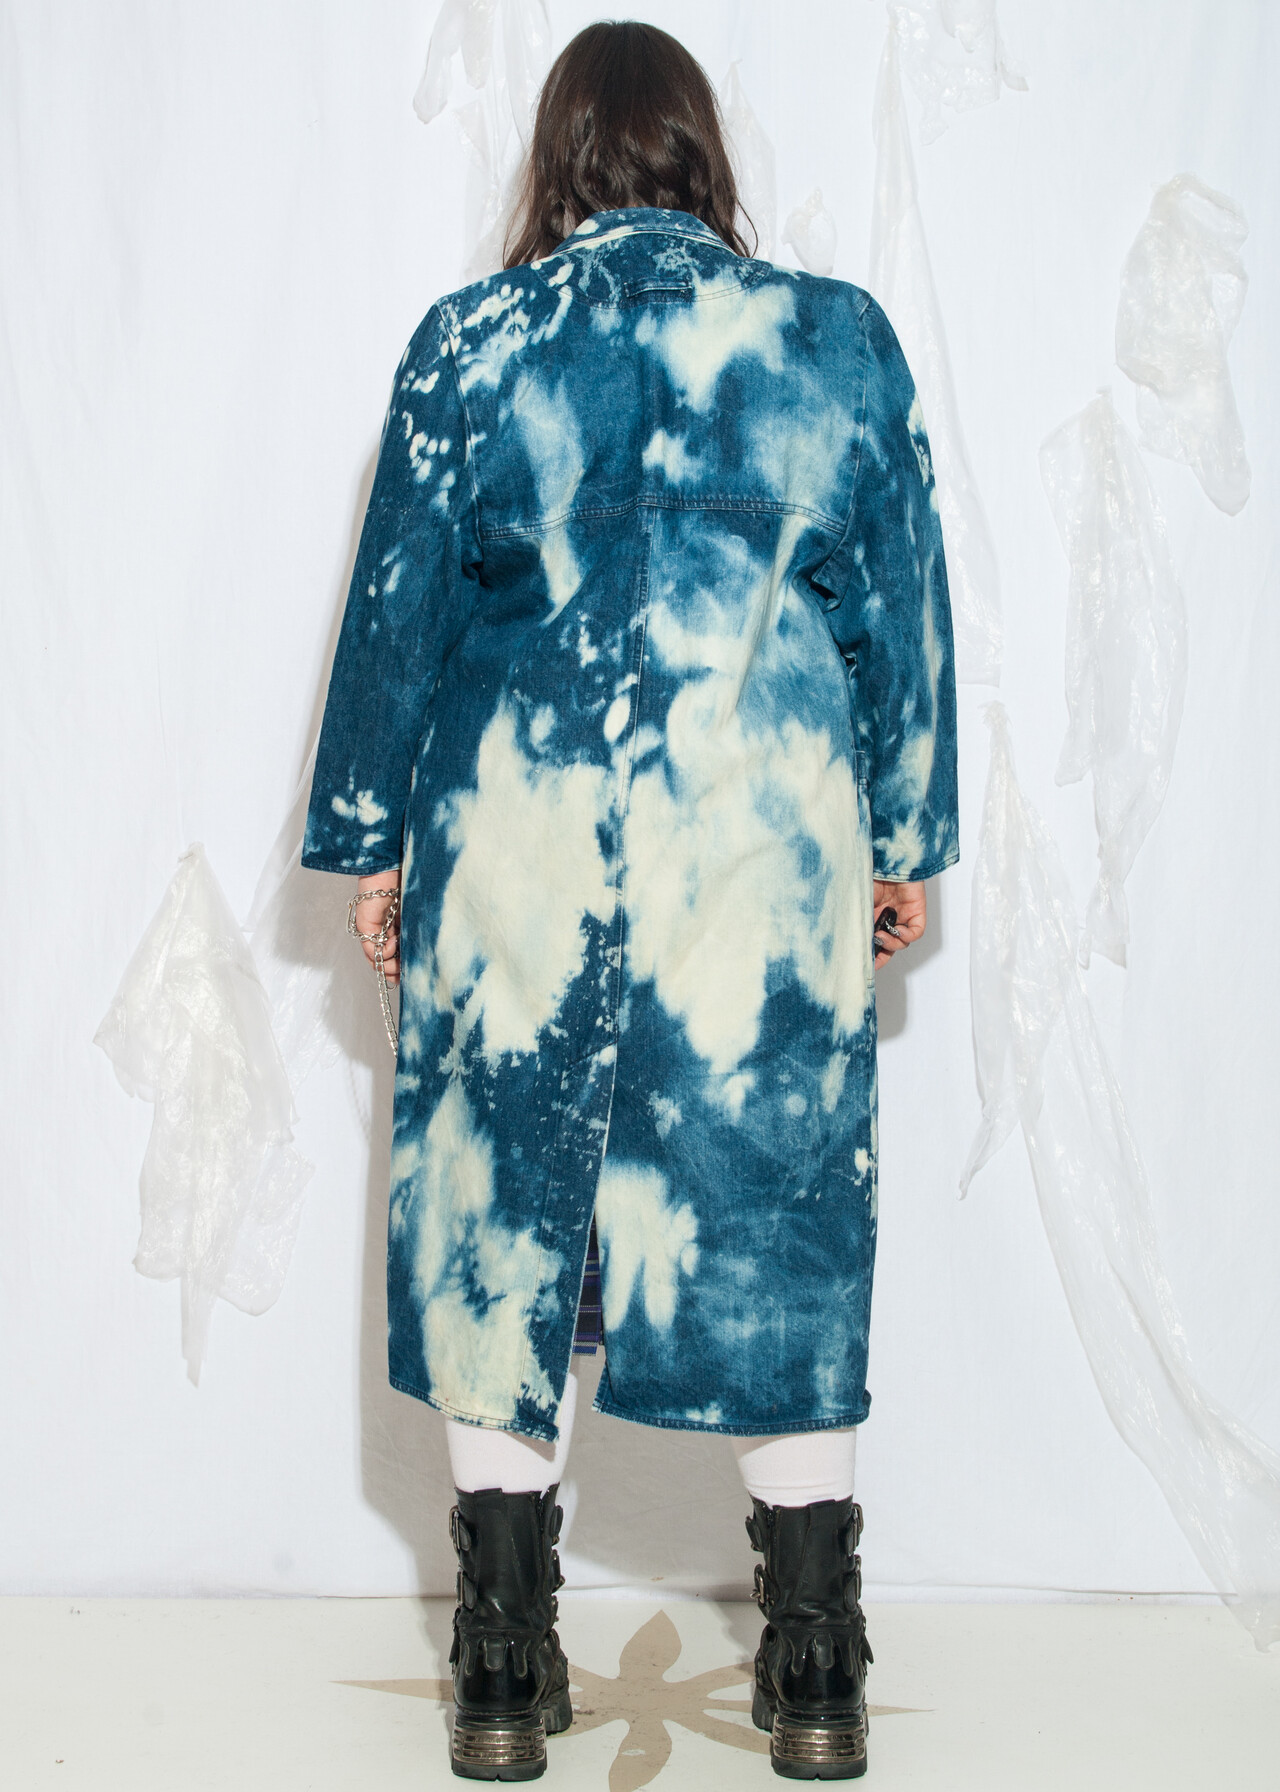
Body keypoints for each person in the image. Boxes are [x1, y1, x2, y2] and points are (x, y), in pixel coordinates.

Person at [303, 19, 958, 1782]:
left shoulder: (472, 340)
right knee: (780, 1224)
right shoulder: (836, 338)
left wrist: (372, 843)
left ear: (559, 163)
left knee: (499, 1225)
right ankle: (815, 1669)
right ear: (700, 154)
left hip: (514, 853)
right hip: (761, 859)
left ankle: (500, 1670)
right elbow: (901, 604)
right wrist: (903, 836)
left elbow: (398, 612)